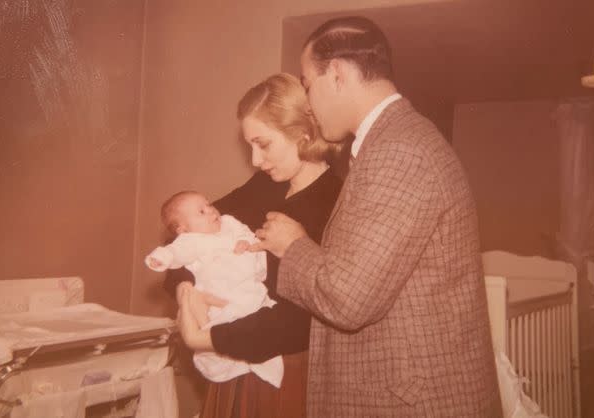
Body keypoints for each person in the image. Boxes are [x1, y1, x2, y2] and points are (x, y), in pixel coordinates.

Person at [249, 16, 503, 417]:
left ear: (337, 74)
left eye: (308, 84)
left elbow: (347, 299)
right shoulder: (392, 143)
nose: (309, 106)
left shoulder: (399, 151)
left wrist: (293, 245)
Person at [169, 72, 343, 417]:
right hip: (234, 364)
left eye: (263, 144)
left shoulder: (334, 205)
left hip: (287, 376)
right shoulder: (265, 188)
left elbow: (303, 323)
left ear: (302, 133)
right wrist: (188, 293)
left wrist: (203, 339)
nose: (255, 160)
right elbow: (181, 229)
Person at [145, 191, 283, 387]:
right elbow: (175, 252)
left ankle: (258, 362)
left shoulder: (229, 223)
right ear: (183, 229)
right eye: (201, 212)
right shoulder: (190, 241)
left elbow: (247, 233)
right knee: (223, 323)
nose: (211, 210)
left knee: (256, 311)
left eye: (209, 205)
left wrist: (246, 241)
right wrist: (161, 258)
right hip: (219, 294)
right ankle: (225, 363)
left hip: (249, 286)